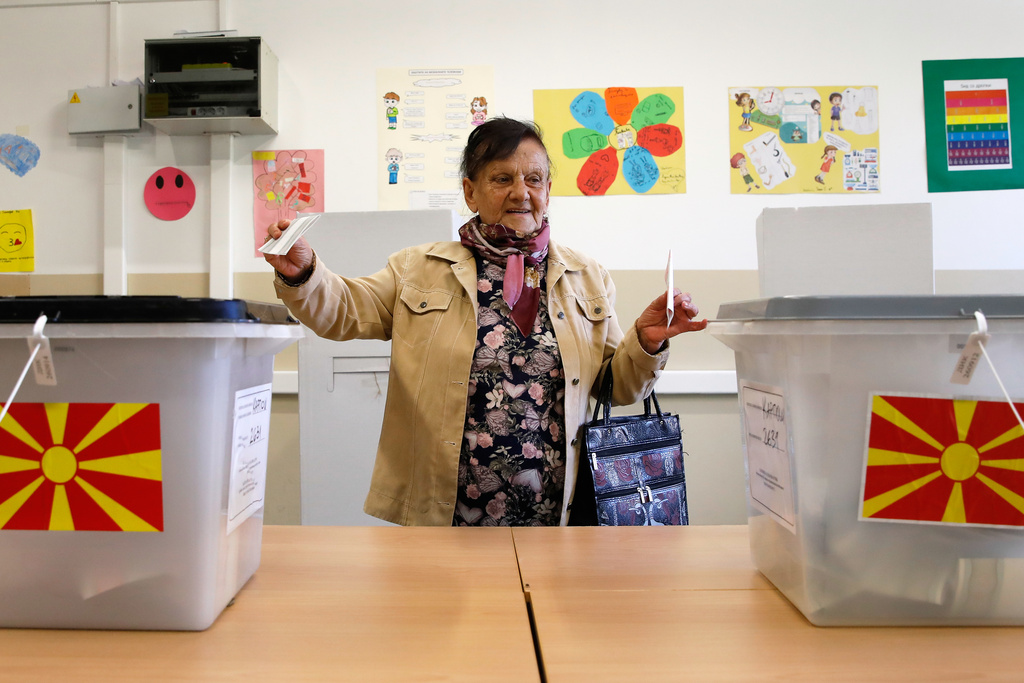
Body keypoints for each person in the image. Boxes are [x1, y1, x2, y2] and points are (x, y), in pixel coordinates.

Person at [263, 117, 707, 527]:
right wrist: (303, 273)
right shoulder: (418, 268)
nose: (521, 192)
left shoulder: (586, 276)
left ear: (548, 190)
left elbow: (616, 387)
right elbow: (344, 310)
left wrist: (646, 344)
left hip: (558, 515)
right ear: (470, 191)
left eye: (534, 179)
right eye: (502, 179)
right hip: (448, 514)